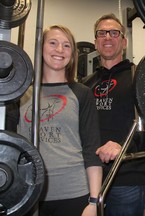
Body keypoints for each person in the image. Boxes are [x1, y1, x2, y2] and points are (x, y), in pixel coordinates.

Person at [14, 25, 102, 216]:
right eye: (53, 43)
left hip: (74, 192)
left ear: (72, 54)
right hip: (30, 192)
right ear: (41, 48)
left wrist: (94, 201)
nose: (59, 50)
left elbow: (91, 148)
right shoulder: (22, 93)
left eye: (66, 45)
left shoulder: (82, 93)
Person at [82, 14, 145, 216]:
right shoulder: (86, 83)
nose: (107, 37)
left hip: (126, 179)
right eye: (102, 33)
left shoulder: (139, 77)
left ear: (124, 41)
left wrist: (122, 147)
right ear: (96, 41)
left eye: (114, 33)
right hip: (89, 178)